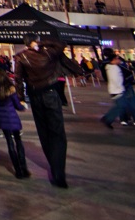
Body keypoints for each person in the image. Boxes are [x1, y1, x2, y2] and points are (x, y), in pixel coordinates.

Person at [13, 34, 84, 188]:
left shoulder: (21, 56)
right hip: (51, 93)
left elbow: (18, 79)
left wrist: (21, 98)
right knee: (57, 133)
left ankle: (54, 166)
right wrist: (42, 42)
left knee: (44, 132)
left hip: (34, 95)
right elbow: (61, 43)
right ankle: (59, 171)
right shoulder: (48, 53)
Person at [0, 66, 30, 179]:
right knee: (18, 142)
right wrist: (23, 106)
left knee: (10, 144)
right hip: (12, 118)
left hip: (1, 119)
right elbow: (17, 105)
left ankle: (18, 171)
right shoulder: (9, 88)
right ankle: (23, 168)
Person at [98, 49, 135, 132]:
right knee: (131, 107)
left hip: (118, 89)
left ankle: (113, 119)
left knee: (122, 106)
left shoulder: (105, 65)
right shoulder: (115, 67)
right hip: (122, 88)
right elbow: (118, 79)